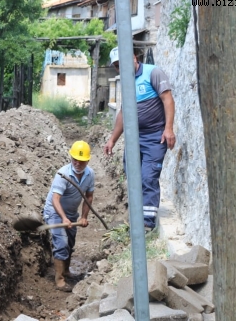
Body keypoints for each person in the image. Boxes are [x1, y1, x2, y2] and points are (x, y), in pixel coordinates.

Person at [103, 47, 176, 231]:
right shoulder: (126, 83)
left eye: (123, 63)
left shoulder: (153, 72)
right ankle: (137, 216)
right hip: (134, 139)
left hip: (155, 138)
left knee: (148, 177)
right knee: (133, 176)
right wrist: (113, 139)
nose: (121, 68)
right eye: (117, 66)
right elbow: (122, 112)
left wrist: (168, 129)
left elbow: (168, 99)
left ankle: (147, 224)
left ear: (134, 58)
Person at [43, 141, 95, 292]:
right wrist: (64, 219)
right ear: (71, 158)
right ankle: (59, 280)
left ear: (88, 160)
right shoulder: (63, 174)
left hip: (71, 213)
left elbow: (89, 197)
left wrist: (84, 217)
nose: (78, 163)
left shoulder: (90, 174)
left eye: (82, 161)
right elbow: (55, 199)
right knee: (61, 243)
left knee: (70, 243)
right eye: (75, 160)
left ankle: (66, 270)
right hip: (54, 212)